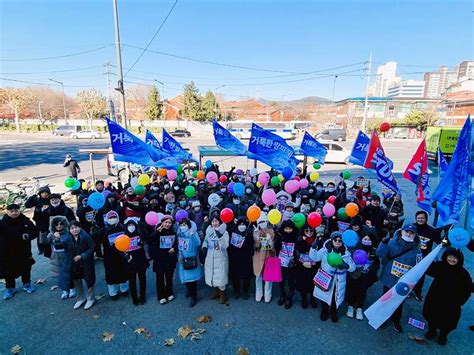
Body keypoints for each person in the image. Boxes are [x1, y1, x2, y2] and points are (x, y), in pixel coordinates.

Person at [376, 224, 421, 333]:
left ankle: (396, 320)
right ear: (401, 232)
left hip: (404, 282)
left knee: (399, 302)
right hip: (389, 278)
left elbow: (418, 267)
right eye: (407, 232)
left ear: (415, 235)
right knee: (385, 299)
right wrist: (383, 243)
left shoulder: (417, 250)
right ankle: (383, 318)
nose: (408, 234)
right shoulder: (392, 242)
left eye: (411, 233)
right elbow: (379, 254)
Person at [423, 247, 471, 345]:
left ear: (459, 260)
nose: (452, 260)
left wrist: (460, 301)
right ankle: (432, 331)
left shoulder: (463, 273)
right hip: (435, 298)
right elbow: (428, 270)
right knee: (431, 316)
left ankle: (443, 335)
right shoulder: (440, 266)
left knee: (448, 322)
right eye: (450, 257)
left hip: (452, 303)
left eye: (455, 258)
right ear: (446, 256)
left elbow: (467, 289)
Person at [310, 232, 356, 322]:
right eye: (335, 240)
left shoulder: (346, 254)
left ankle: (334, 312)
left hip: (339, 281)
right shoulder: (325, 250)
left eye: (340, 240)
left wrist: (346, 266)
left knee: (336, 298)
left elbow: (353, 267)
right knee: (324, 296)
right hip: (326, 278)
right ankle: (324, 311)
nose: (337, 242)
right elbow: (314, 258)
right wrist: (313, 248)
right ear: (332, 240)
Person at [0, 204, 38, 300]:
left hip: (23, 250)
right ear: (7, 211)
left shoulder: (25, 221)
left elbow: (35, 232)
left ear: (19, 211)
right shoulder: (2, 223)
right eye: (11, 211)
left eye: (16, 211)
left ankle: (27, 284)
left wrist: (28, 235)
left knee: (26, 267)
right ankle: (10, 288)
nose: (14, 213)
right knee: (8, 270)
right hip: (7, 252)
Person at [93, 211, 129, 300]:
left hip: (121, 255)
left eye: (114, 217)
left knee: (123, 272)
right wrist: (93, 230)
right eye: (110, 218)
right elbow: (95, 238)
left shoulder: (122, 227)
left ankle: (124, 289)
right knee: (110, 274)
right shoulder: (104, 229)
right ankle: (113, 292)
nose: (112, 219)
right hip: (109, 256)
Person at [61, 221, 96, 310]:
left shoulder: (86, 236)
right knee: (76, 281)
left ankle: (90, 298)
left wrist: (82, 256)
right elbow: (58, 246)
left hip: (86, 263)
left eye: (76, 227)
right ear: (69, 230)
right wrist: (56, 239)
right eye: (72, 228)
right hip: (74, 264)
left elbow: (92, 247)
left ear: (80, 227)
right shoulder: (67, 238)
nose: (74, 229)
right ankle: (80, 298)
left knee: (89, 280)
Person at [345, 234, 380, 320]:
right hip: (355, 274)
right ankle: (351, 306)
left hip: (366, 276)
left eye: (369, 239)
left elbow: (377, 264)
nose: (367, 240)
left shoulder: (374, 252)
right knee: (353, 290)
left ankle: (359, 308)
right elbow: (350, 260)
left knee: (362, 292)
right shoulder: (356, 249)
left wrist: (371, 269)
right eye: (365, 238)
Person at [148, 215, 177, 304]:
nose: (167, 224)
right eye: (165, 222)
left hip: (170, 258)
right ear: (162, 222)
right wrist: (157, 232)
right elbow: (150, 240)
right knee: (160, 277)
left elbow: (177, 242)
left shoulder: (173, 231)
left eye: (169, 223)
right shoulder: (158, 230)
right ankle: (161, 296)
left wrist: (174, 248)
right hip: (159, 258)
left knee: (169, 276)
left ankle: (169, 292)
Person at [412, 210, 441, 301]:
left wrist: (446, 238)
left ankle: (417, 291)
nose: (420, 220)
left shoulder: (432, 231)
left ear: (426, 219)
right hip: (410, 256)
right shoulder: (411, 228)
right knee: (408, 274)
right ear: (416, 219)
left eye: (422, 218)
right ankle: (407, 290)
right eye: (418, 218)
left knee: (420, 276)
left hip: (424, 258)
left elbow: (439, 242)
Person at [202, 215, 230, 304]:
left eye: (216, 221)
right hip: (210, 256)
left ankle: (222, 293)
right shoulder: (209, 231)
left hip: (220, 256)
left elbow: (226, 245)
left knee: (221, 275)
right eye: (213, 221)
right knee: (212, 274)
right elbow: (206, 241)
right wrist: (204, 247)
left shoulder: (224, 232)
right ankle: (215, 291)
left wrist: (220, 237)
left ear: (220, 222)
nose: (215, 223)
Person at [176, 218, 203, 307]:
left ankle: (193, 297)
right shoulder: (179, 234)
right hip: (182, 259)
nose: (183, 227)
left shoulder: (192, 233)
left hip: (191, 259)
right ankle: (188, 290)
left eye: (185, 225)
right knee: (186, 279)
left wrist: (191, 234)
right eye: (181, 225)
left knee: (192, 280)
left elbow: (198, 243)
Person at [47, 216, 76, 299]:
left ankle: (72, 289)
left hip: (66, 256)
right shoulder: (51, 234)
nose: (59, 226)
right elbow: (45, 242)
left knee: (69, 274)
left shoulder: (68, 233)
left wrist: (58, 239)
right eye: (56, 225)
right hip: (56, 258)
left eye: (61, 224)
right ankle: (64, 290)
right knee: (60, 275)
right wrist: (46, 234)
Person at [123, 218, 148, 306]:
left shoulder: (140, 233)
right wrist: (125, 256)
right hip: (130, 261)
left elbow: (147, 234)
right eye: (129, 225)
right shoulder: (124, 237)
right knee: (132, 281)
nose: (131, 227)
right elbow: (119, 249)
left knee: (142, 279)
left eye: (132, 225)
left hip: (141, 260)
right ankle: (134, 298)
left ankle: (142, 297)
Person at [228, 217, 254, 300]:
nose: (242, 226)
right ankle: (236, 291)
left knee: (246, 276)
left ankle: (245, 291)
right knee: (235, 276)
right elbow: (230, 247)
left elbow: (251, 246)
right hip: (235, 258)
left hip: (246, 258)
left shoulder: (249, 233)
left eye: (243, 224)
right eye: (240, 224)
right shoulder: (234, 233)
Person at [275, 220, 299, 309]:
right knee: (281, 281)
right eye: (286, 229)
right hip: (281, 262)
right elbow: (276, 248)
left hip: (291, 264)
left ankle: (289, 298)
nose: (288, 230)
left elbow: (298, 250)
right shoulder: (280, 237)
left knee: (291, 282)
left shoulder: (296, 238)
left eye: (290, 229)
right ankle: (282, 295)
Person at [253, 213, 275, 303]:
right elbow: (255, 246)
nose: (262, 223)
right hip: (258, 256)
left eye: (263, 221)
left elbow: (273, 248)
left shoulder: (272, 232)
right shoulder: (256, 231)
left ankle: (268, 293)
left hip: (269, 256)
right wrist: (257, 237)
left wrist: (270, 241)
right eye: (260, 222)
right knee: (258, 275)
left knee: (268, 277)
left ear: (267, 221)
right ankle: (259, 292)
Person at [295, 225, 318, 309]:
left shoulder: (316, 239)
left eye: (311, 231)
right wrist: (301, 263)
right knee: (303, 283)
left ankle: (312, 299)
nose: (309, 233)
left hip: (313, 266)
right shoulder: (299, 239)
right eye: (306, 231)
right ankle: (304, 299)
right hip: (302, 265)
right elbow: (296, 252)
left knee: (312, 284)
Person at [24, 186, 51, 256]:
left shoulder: (51, 200)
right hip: (39, 220)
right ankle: (41, 249)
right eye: (43, 193)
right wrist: (31, 198)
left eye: (46, 193)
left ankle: (48, 248)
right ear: (40, 194)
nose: (45, 194)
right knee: (40, 235)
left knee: (49, 234)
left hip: (48, 220)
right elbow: (27, 205)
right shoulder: (37, 200)